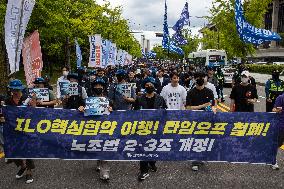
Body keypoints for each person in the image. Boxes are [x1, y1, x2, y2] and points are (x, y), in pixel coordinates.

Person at [78, 78, 112, 180]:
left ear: (103, 88)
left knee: (104, 148)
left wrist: (112, 109)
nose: (98, 88)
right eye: (96, 86)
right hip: (92, 127)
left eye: (100, 86)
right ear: (93, 88)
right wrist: (80, 109)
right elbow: (80, 110)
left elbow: (116, 113)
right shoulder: (87, 101)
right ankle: (98, 162)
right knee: (97, 146)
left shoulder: (108, 100)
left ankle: (105, 171)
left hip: (105, 127)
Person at [134, 77, 167, 181]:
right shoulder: (139, 99)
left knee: (154, 147)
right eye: (147, 85)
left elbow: (165, 111)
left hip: (156, 128)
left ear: (154, 86)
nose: (149, 86)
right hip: (143, 128)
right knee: (143, 149)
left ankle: (152, 163)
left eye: (151, 84)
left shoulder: (160, 98)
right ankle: (143, 171)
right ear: (144, 86)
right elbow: (134, 113)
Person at [4, 79, 36, 184]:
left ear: (21, 89)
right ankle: (22, 166)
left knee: (26, 149)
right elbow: (4, 114)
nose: (15, 92)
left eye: (17, 89)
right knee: (12, 150)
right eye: (13, 89)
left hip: (26, 128)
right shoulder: (8, 101)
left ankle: (29, 171)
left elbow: (35, 111)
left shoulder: (27, 98)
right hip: (13, 129)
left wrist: (33, 101)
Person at [186, 71, 216, 171]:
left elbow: (213, 105)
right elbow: (188, 108)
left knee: (204, 139)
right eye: (197, 77)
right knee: (195, 140)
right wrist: (202, 106)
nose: (200, 79)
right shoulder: (191, 92)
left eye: (201, 77)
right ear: (194, 80)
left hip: (207, 120)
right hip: (194, 120)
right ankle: (195, 161)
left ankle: (201, 157)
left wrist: (214, 110)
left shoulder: (209, 91)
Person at [272, 92, 284, 170]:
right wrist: (278, 110)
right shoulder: (281, 98)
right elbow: (274, 110)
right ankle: (273, 161)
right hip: (281, 125)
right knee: (277, 144)